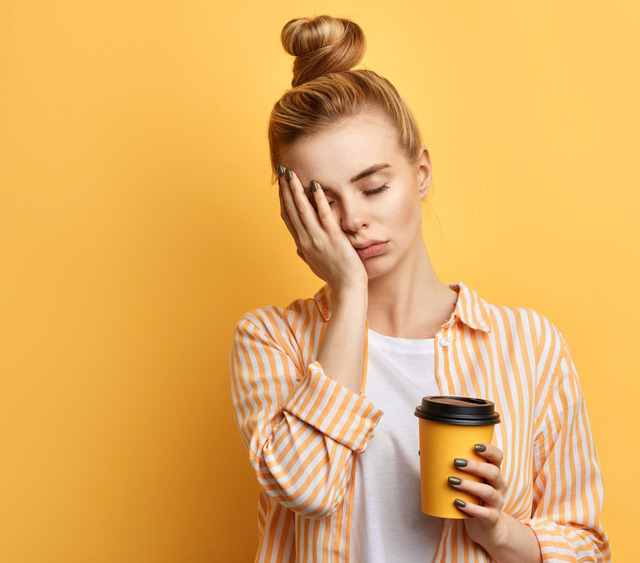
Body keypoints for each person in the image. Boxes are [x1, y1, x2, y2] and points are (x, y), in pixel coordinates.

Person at [231, 15, 610, 563]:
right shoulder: (271, 340)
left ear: (422, 172)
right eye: (324, 201)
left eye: (374, 187)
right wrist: (350, 293)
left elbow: (587, 547)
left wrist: (500, 531)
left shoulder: (531, 347)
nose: (353, 220)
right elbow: (306, 491)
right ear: (295, 212)